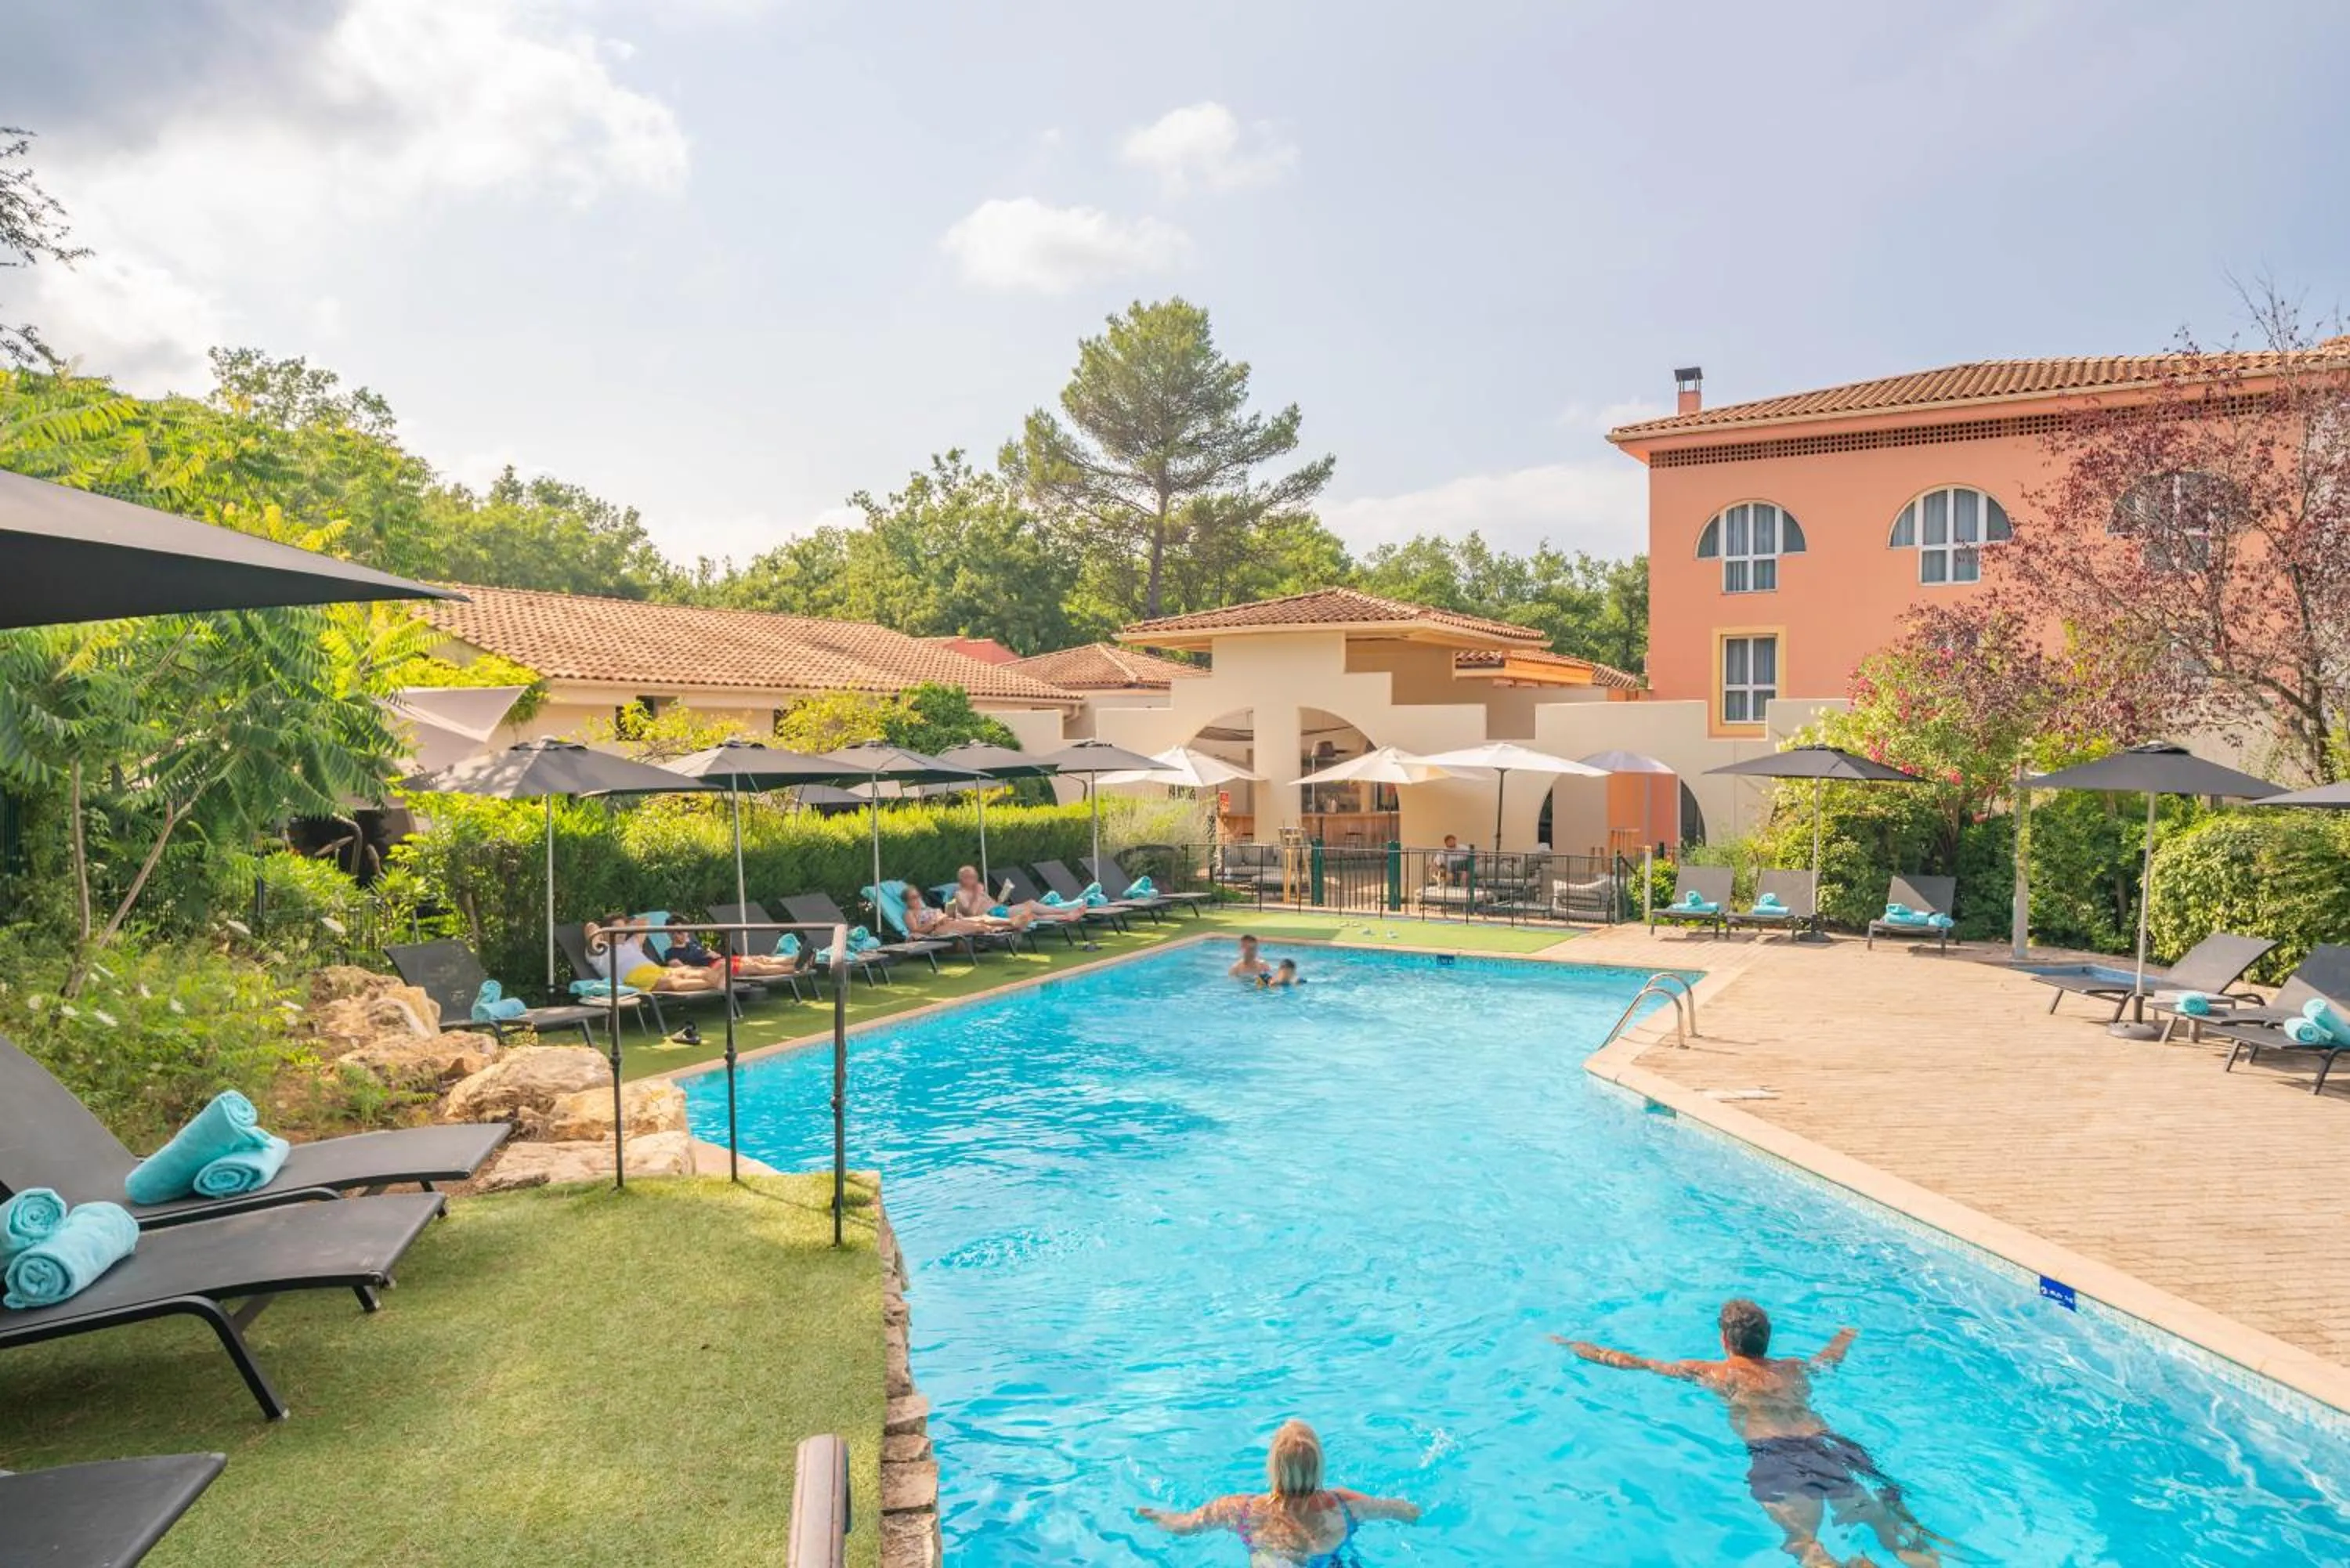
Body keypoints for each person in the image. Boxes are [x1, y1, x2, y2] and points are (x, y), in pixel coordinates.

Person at [1556, 1300, 1943, 1568]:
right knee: (1887, 1521)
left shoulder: (1715, 1372)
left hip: (1778, 1453)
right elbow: (1827, 1363)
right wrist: (1844, 1335)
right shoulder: (1792, 1367)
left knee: (1805, 1544)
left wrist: (1578, 1347)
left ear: (1725, 1341)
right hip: (1832, 1444)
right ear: (1768, 1338)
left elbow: (1636, 1363)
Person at [1136, 1418, 1419, 1566]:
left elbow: (1183, 1526)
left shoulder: (1241, 1508)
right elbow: (1408, 1513)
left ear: (1274, 1466)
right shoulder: (1344, 1503)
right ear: (1319, 1464)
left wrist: (1153, 1515)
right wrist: (1409, 1510)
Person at [585, 915, 721, 992]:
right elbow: (591, 926)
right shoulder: (598, 950)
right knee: (671, 982)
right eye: (617, 929)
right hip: (634, 976)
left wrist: (624, 927)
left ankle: (718, 982)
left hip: (656, 969)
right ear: (604, 932)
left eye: (623, 929)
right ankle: (716, 984)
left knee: (696, 970)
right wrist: (603, 933)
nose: (622, 933)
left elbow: (644, 921)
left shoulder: (631, 944)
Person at [949, 865, 1068, 927]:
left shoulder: (978, 890)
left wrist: (1002, 897)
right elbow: (971, 913)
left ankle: (1065, 915)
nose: (974, 879)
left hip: (999, 910)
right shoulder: (960, 894)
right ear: (962, 879)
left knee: (1032, 912)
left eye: (975, 876)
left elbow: (995, 903)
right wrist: (976, 895)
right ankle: (1066, 913)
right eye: (971, 877)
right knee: (1031, 906)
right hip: (992, 915)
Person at [904, 881, 1032, 938]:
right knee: (978, 926)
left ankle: (1011, 922)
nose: (917, 899)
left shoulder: (927, 908)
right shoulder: (909, 914)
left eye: (918, 896)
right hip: (938, 929)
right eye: (913, 897)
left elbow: (945, 914)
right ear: (907, 901)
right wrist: (934, 923)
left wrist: (950, 914)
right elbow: (915, 931)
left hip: (950, 921)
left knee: (983, 918)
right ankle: (1010, 926)